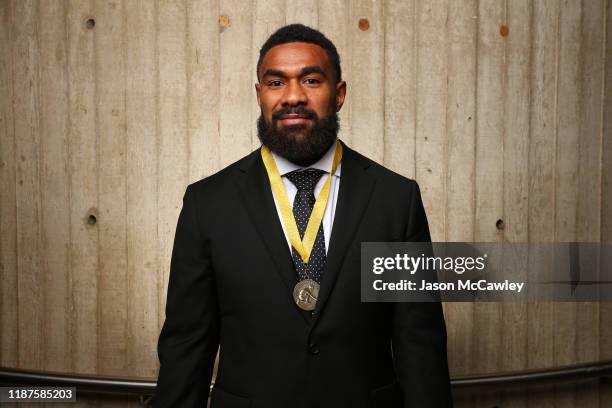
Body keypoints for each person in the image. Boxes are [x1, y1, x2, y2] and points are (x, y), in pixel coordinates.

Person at [154, 23, 453, 408]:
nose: (293, 96)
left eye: (311, 80)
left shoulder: (395, 199)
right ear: (259, 94)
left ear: (339, 93)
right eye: (276, 83)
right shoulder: (207, 203)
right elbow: (186, 347)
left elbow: (420, 345)